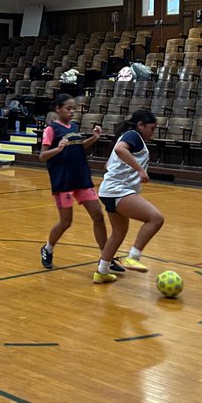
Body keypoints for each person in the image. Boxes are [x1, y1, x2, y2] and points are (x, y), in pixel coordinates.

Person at [38, 94, 108, 271]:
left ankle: (106, 258)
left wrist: (94, 138)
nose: (72, 112)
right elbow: (42, 156)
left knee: (98, 216)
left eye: (73, 109)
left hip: (81, 178)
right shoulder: (51, 129)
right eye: (68, 109)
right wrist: (58, 149)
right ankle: (47, 249)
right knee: (66, 222)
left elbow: (79, 147)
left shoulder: (74, 126)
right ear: (58, 109)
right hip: (63, 180)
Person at [94, 110, 163, 284]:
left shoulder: (129, 137)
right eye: (151, 128)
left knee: (118, 233)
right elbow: (119, 149)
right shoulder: (133, 135)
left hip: (109, 191)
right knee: (156, 219)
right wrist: (140, 170)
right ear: (140, 125)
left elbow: (108, 164)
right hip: (118, 190)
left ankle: (102, 272)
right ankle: (133, 257)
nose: (153, 132)